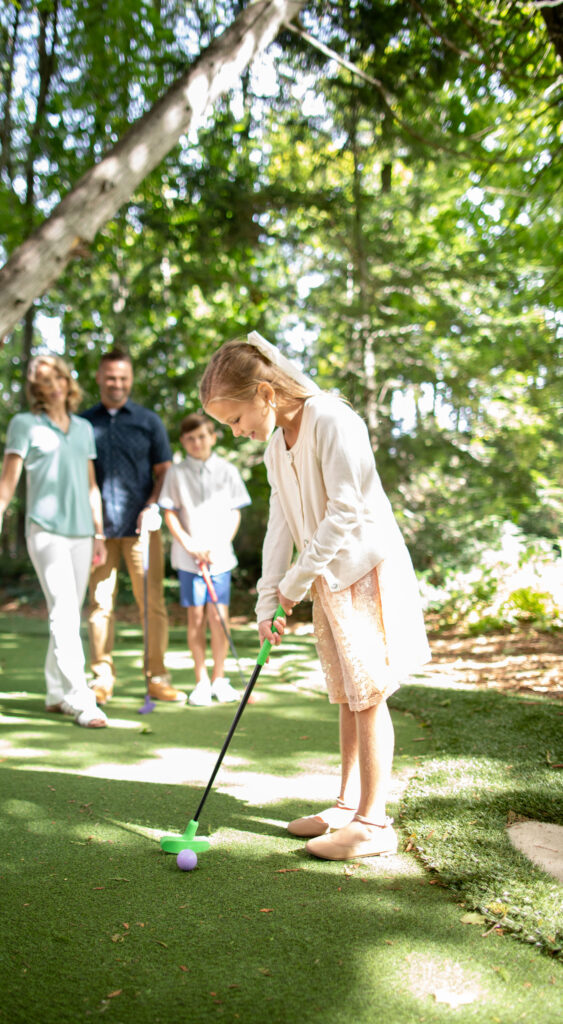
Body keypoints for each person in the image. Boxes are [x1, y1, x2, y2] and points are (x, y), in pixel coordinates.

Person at [200, 331, 431, 861]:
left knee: (368, 693)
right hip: (327, 576)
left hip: (365, 568)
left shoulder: (331, 419)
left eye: (235, 419)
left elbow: (346, 510)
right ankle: (346, 806)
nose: (236, 432)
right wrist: (267, 603)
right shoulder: (275, 450)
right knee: (348, 694)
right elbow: (280, 527)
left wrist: (296, 584)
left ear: (264, 392)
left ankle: (374, 824)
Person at [0, 354, 109, 729]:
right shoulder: (24, 425)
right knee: (65, 611)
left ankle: (55, 693)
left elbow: (90, 486)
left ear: (68, 383)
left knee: (67, 611)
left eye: (60, 379)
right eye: (46, 382)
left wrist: (99, 532)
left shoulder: (83, 428)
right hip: (45, 529)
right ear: (37, 390)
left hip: (83, 531)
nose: (55, 386)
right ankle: (82, 699)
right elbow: (8, 478)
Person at [81, 348, 185, 703]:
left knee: (152, 604)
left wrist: (151, 505)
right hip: (98, 531)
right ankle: (100, 679)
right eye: (110, 377)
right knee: (99, 604)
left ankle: (157, 677)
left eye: (123, 378)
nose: (117, 384)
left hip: (143, 530)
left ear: (131, 379)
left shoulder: (148, 421)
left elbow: (165, 471)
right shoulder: (83, 423)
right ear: (99, 378)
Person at [159, 412, 251, 706]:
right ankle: (201, 681)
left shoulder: (227, 470)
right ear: (183, 442)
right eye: (190, 438)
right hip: (188, 560)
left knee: (218, 617)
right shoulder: (175, 472)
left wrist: (218, 544)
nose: (197, 442)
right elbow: (170, 512)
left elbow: (236, 511)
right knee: (195, 619)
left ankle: (219, 678)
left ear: (213, 437)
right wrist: (188, 544)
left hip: (219, 558)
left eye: (202, 436)